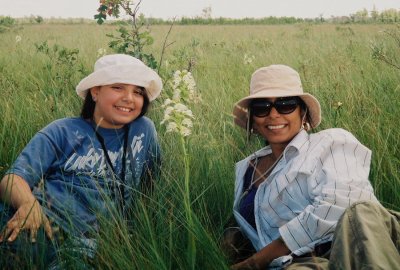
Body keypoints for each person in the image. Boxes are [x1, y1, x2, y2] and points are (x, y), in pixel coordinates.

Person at [228, 64, 400, 269]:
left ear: (303, 113)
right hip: (296, 263)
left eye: (286, 104)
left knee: (359, 212)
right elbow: (244, 226)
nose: (273, 114)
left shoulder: (330, 142)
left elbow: (343, 203)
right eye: (262, 107)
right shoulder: (246, 169)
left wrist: (256, 262)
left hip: (358, 244)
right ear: (253, 121)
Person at [0, 54, 162, 267]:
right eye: (118, 87)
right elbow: (12, 179)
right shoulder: (62, 130)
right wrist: (29, 205)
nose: (129, 98)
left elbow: (151, 183)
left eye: (138, 92)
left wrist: (129, 231)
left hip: (89, 241)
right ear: (95, 92)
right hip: (39, 223)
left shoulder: (143, 130)